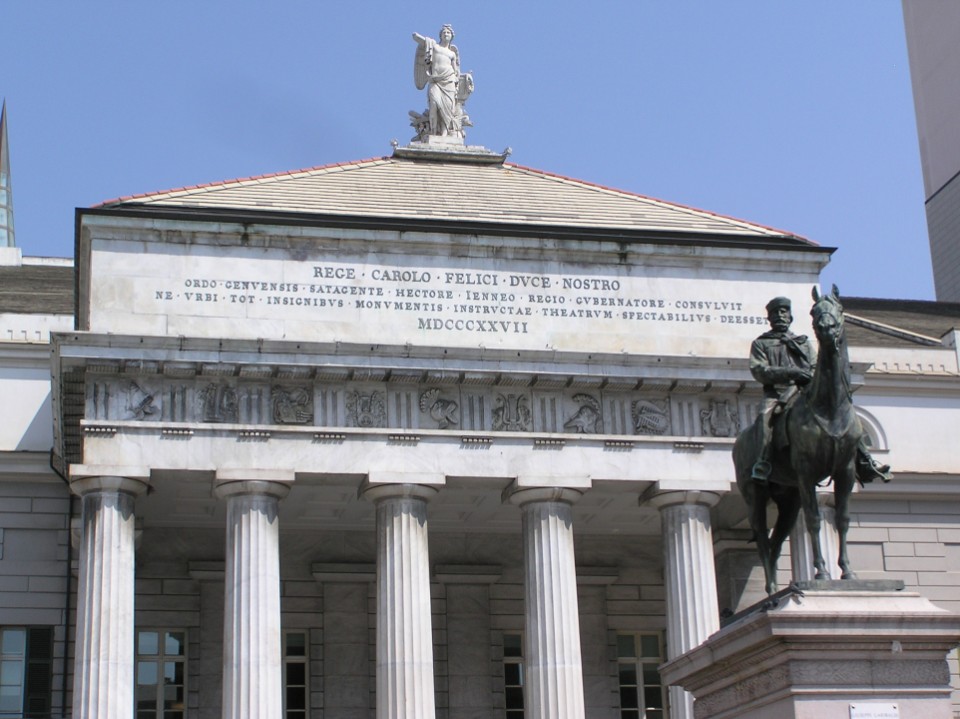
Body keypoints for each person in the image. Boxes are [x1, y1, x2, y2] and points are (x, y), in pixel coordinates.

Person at [748, 296, 892, 485]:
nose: (780, 316)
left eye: (784, 312)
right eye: (775, 313)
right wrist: (791, 373)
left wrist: (808, 376)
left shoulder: (803, 343)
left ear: (790, 317)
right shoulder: (761, 344)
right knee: (764, 418)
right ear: (769, 318)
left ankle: (866, 461)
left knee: (845, 416)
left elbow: (816, 366)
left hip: (805, 392)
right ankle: (763, 461)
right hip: (777, 393)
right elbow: (759, 370)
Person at [412, 26, 462, 137]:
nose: (446, 34)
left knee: (447, 108)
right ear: (440, 35)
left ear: (452, 36)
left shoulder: (452, 54)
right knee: (434, 103)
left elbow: (455, 71)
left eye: (448, 32)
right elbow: (424, 42)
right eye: (444, 32)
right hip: (435, 80)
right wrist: (417, 36)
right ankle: (433, 131)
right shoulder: (434, 46)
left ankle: (444, 132)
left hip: (448, 80)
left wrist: (456, 81)